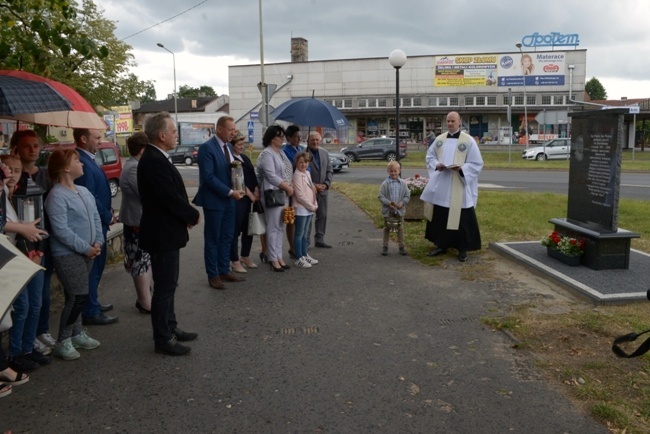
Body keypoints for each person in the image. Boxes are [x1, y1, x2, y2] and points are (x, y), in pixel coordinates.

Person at [138, 112, 201, 356]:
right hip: (161, 234)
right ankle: (163, 338)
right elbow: (167, 197)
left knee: (169, 284)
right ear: (162, 135)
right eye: (174, 131)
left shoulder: (158, 157)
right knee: (164, 287)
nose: (177, 136)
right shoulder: (153, 159)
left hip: (165, 231)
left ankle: (171, 327)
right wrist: (191, 214)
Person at [45, 149, 103, 361]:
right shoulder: (57, 195)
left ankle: (77, 334)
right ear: (66, 167)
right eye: (77, 160)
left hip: (88, 251)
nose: (83, 163)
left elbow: (95, 218)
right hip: (68, 254)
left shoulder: (83, 191)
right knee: (78, 296)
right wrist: (85, 248)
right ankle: (63, 340)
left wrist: (98, 241)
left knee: (77, 294)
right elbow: (61, 230)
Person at [9, 131, 57, 356]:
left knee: (40, 296)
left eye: (36, 145)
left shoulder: (45, 176)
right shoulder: (9, 181)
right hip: (19, 247)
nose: (33, 150)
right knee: (24, 304)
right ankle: (21, 349)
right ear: (16, 149)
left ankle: (37, 335)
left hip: (42, 243)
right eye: (27, 146)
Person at [420, 111, 483, 262]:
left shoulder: (468, 141)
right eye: (448, 121)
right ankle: (441, 245)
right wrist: (437, 165)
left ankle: (462, 248)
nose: (450, 124)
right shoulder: (439, 140)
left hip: (459, 184)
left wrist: (461, 169)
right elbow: (430, 156)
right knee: (441, 215)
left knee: (461, 217)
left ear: (459, 122)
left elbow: (476, 163)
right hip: (443, 183)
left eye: (453, 121)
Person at [193, 116, 245, 290]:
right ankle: (213, 274)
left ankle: (224, 270)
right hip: (215, 201)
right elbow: (208, 178)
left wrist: (238, 187)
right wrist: (230, 192)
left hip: (230, 200)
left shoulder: (229, 147)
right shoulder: (207, 148)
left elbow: (232, 171)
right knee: (213, 238)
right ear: (220, 129)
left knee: (227, 237)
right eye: (231, 130)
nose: (233, 133)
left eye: (234, 130)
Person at [73, 128, 118, 326]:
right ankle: (90, 311)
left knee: (98, 267)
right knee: (92, 269)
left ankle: (93, 303)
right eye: (97, 137)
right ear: (83, 139)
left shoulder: (89, 158)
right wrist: (107, 216)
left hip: (100, 222)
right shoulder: (81, 161)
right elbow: (90, 196)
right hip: (94, 224)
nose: (100, 141)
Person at [119, 132, 152, 314]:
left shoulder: (136, 165)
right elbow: (145, 193)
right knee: (139, 260)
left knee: (144, 259)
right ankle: (144, 301)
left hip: (138, 220)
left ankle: (146, 297)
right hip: (135, 221)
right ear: (142, 150)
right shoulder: (133, 168)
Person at [257, 124, 294, 272]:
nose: (282, 138)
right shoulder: (267, 154)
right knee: (273, 228)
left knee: (280, 227)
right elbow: (271, 175)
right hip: (272, 194)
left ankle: (278, 256)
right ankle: (273, 259)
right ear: (272, 138)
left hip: (282, 193)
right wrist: (286, 187)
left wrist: (288, 186)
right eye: (280, 136)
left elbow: (286, 170)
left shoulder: (279, 153)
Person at [229, 133, 260, 273]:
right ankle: (234, 260)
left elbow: (252, 176)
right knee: (236, 230)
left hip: (251, 198)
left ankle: (245, 256)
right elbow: (238, 180)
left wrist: (257, 190)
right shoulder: (232, 160)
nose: (242, 147)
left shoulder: (245, 158)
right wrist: (250, 195)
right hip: (240, 198)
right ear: (232, 145)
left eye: (243, 144)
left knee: (249, 229)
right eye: (239, 144)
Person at [305, 131, 333, 248]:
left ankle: (319, 239)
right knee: (307, 217)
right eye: (312, 140)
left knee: (322, 215)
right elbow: (301, 173)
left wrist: (326, 184)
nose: (315, 142)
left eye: (317, 140)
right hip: (309, 190)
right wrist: (314, 185)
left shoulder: (325, 153)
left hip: (323, 190)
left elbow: (329, 170)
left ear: (320, 141)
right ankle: (305, 241)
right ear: (308, 141)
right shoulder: (303, 154)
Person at [291, 151, 318, 268]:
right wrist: (311, 206)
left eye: (306, 162)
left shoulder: (307, 174)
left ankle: (304, 254)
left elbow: (312, 189)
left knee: (305, 234)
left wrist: (315, 203)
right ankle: (298, 257)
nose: (304, 165)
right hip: (301, 208)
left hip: (309, 208)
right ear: (296, 162)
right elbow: (300, 195)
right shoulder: (296, 176)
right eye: (301, 162)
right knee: (299, 233)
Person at [378, 160, 410, 256]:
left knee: (400, 228)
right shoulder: (385, 184)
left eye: (395, 171)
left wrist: (402, 203)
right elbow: (381, 196)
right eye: (391, 171)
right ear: (388, 171)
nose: (393, 173)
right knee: (387, 228)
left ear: (399, 171)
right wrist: (388, 203)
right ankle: (385, 246)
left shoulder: (403, 183)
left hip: (399, 211)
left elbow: (407, 195)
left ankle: (401, 246)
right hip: (389, 211)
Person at [281, 125, 303, 258]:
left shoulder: (300, 149)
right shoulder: (285, 152)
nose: (299, 139)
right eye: (296, 137)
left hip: (301, 189)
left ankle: (299, 244)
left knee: (300, 217)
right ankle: (292, 247)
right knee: (291, 219)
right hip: (291, 189)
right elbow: (289, 169)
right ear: (289, 138)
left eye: (300, 136)